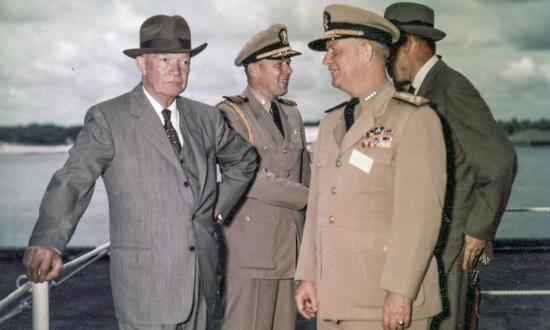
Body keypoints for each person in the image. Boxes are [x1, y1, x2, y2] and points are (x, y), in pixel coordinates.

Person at [22, 15, 257, 330]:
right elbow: (74, 179)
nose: (177, 70)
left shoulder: (207, 118)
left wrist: (219, 207)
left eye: (185, 62)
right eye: (165, 60)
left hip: (200, 284)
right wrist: (48, 240)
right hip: (145, 290)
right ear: (142, 64)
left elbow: (244, 160)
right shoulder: (109, 118)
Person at [294, 4, 447, 330]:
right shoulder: (331, 122)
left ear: (366, 52)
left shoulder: (414, 119)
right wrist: (307, 274)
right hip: (334, 297)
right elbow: (318, 205)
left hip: (384, 301)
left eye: (335, 51)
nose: (326, 60)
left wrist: (401, 291)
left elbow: (420, 216)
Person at [384, 3, 518, 329]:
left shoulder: (450, 87)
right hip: (428, 246)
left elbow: (499, 161)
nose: (385, 62)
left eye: (388, 49)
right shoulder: (419, 91)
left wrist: (476, 230)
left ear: (410, 42)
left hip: (449, 248)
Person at [216, 24, 310, 330]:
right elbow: (253, 179)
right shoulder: (231, 114)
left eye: (289, 62)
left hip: (290, 252)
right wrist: (319, 199)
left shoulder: (292, 114)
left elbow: (305, 173)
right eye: (279, 63)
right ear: (254, 68)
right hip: (251, 254)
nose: (289, 70)